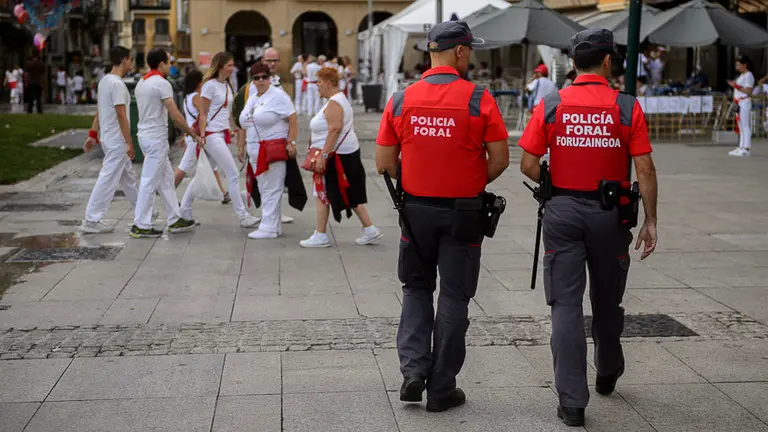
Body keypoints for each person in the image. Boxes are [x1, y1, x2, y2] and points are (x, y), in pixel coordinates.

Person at [518, 28, 658, 427]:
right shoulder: (627, 107)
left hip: (562, 210)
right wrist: (650, 220)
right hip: (611, 215)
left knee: (564, 305)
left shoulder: (551, 103)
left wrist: (550, 178)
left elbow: (527, 163)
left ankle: (572, 401)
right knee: (607, 300)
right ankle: (608, 367)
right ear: (609, 62)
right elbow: (644, 167)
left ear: (574, 64)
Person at [375, 20, 510, 413]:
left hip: (415, 209)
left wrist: (420, 179)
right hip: (464, 212)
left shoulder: (401, 99)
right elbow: (500, 159)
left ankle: (413, 371)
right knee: (454, 295)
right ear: (461, 52)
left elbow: (384, 163)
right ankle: (442, 387)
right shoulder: (479, 98)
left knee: (416, 287)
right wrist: (465, 181)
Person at [300, 66, 383, 248]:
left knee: (323, 193)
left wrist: (323, 154)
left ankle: (321, 235)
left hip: (337, 157)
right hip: (343, 154)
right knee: (347, 193)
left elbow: (334, 129)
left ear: (329, 83)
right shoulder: (337, 100)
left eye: (319, 82)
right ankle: (369, 229)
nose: (317, 86)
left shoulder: (335, 103)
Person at [179, 52, 260, 228]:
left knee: (202, 173)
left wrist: (234, 129)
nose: (233, 68)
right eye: (229, 65)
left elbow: (226, 112)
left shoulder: (226, 85)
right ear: (220, 66)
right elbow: (203, 114)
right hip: (211, 134)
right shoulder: (209, 86)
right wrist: (201, 135)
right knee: (232, 172)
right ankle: (243, 216)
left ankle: (184, 210)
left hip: (219, 133)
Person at [133, 48, 199, 238]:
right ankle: (140, 224)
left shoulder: (141, 82)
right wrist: (190, 132)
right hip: (156, 138)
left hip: (145, 135)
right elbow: (175, 114)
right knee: (149, 181)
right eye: (169, 63)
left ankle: (174, 218)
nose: (171, 66)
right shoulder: (162, 84)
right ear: (161, 64)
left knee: (166, 180)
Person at [79, 46, 140, 233]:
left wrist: (92, 134)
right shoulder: (118, 85)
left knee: (128, 178)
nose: (131, 63)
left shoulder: (104, 81)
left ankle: (144, 210)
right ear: (123, 60)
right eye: (130, 59)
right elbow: (122, 115)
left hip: (108, 138)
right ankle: (91, 219)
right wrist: (129, 142)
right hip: (117, 141)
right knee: (107, 180)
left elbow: (100, 110)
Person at [238, 62, 299, 239]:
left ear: (270, 78)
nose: (261, 80)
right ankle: (272, 224)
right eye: (257, 78)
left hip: (272, 149)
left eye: (265, 77)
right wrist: (241, 145)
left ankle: (269, 227)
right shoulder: (253, 97)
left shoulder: (279, 96)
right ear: (252, 80)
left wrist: (291, 142)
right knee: (265, 188)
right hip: (255, 150)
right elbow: (243, 121)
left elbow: (293, 119)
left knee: (272, 188)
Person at [174, 69, 229, 203]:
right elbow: (203, 114)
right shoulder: (197, 97)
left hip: (192, 136)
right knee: (184, 167)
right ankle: (169, 193)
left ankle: (224, 193)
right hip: (196, 137)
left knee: (211, 163)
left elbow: (191, 119)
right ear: (199, 82)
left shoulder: (187, 98)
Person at [727, 55, 754, 157]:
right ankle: (741, 146)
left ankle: (746, 148)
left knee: (745, 125)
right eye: (736, 65)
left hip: (744, 102)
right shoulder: (741, 75)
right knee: (740, 125)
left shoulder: (749, 75)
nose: (737, 67)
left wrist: (736, 86)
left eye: (739, 65)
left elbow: (748, 91)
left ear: (745, 64)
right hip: (738, 102)